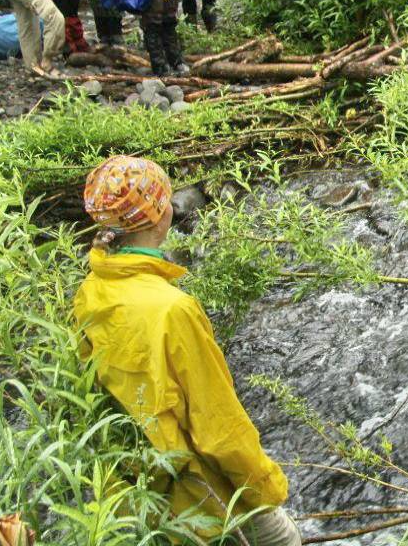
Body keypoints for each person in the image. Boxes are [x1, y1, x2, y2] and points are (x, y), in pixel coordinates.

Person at [74, 155, 300, 546]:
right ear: (160, 216)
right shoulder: (173, 309)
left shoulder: (90, 291)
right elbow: (218, 427)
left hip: (135, 496)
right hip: (200, 500)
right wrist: (266, 490)